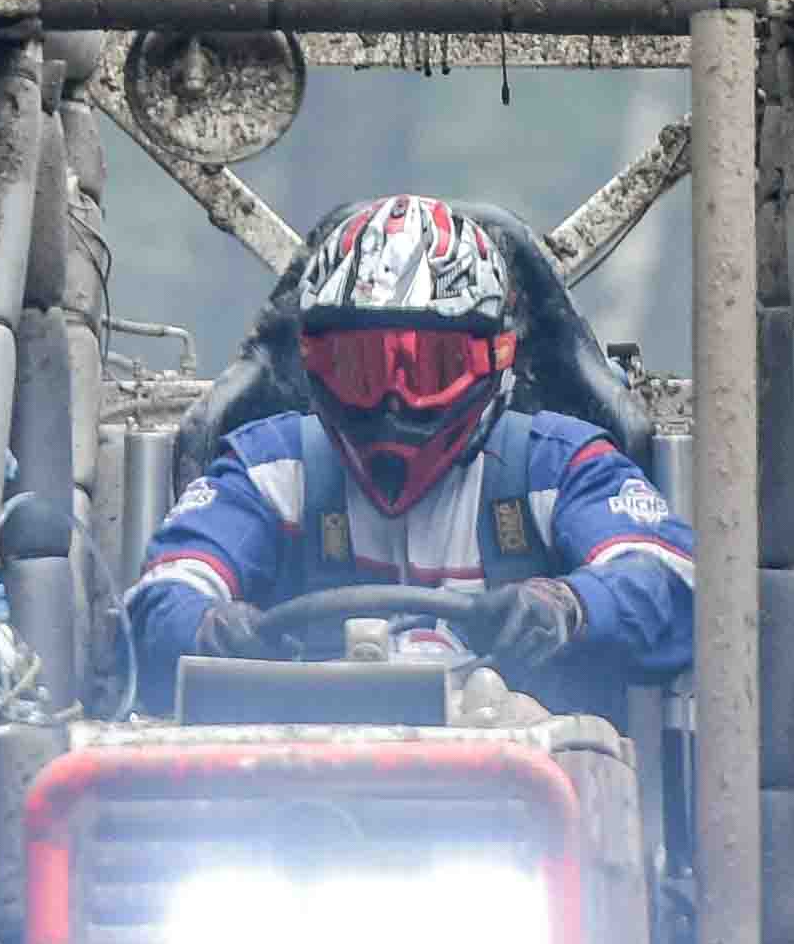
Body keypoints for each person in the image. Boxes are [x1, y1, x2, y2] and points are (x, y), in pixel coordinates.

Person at [122, 191, 702, 699]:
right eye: (361, 368)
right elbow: (166, 591)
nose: (391, 403)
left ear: (496, 358)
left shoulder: (560, 465)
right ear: (311, 364)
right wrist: (208, 629)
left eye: (430, 368)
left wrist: (565, 607)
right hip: (305, 776)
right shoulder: (270, 467)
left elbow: (670, 580)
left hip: (536, 778)